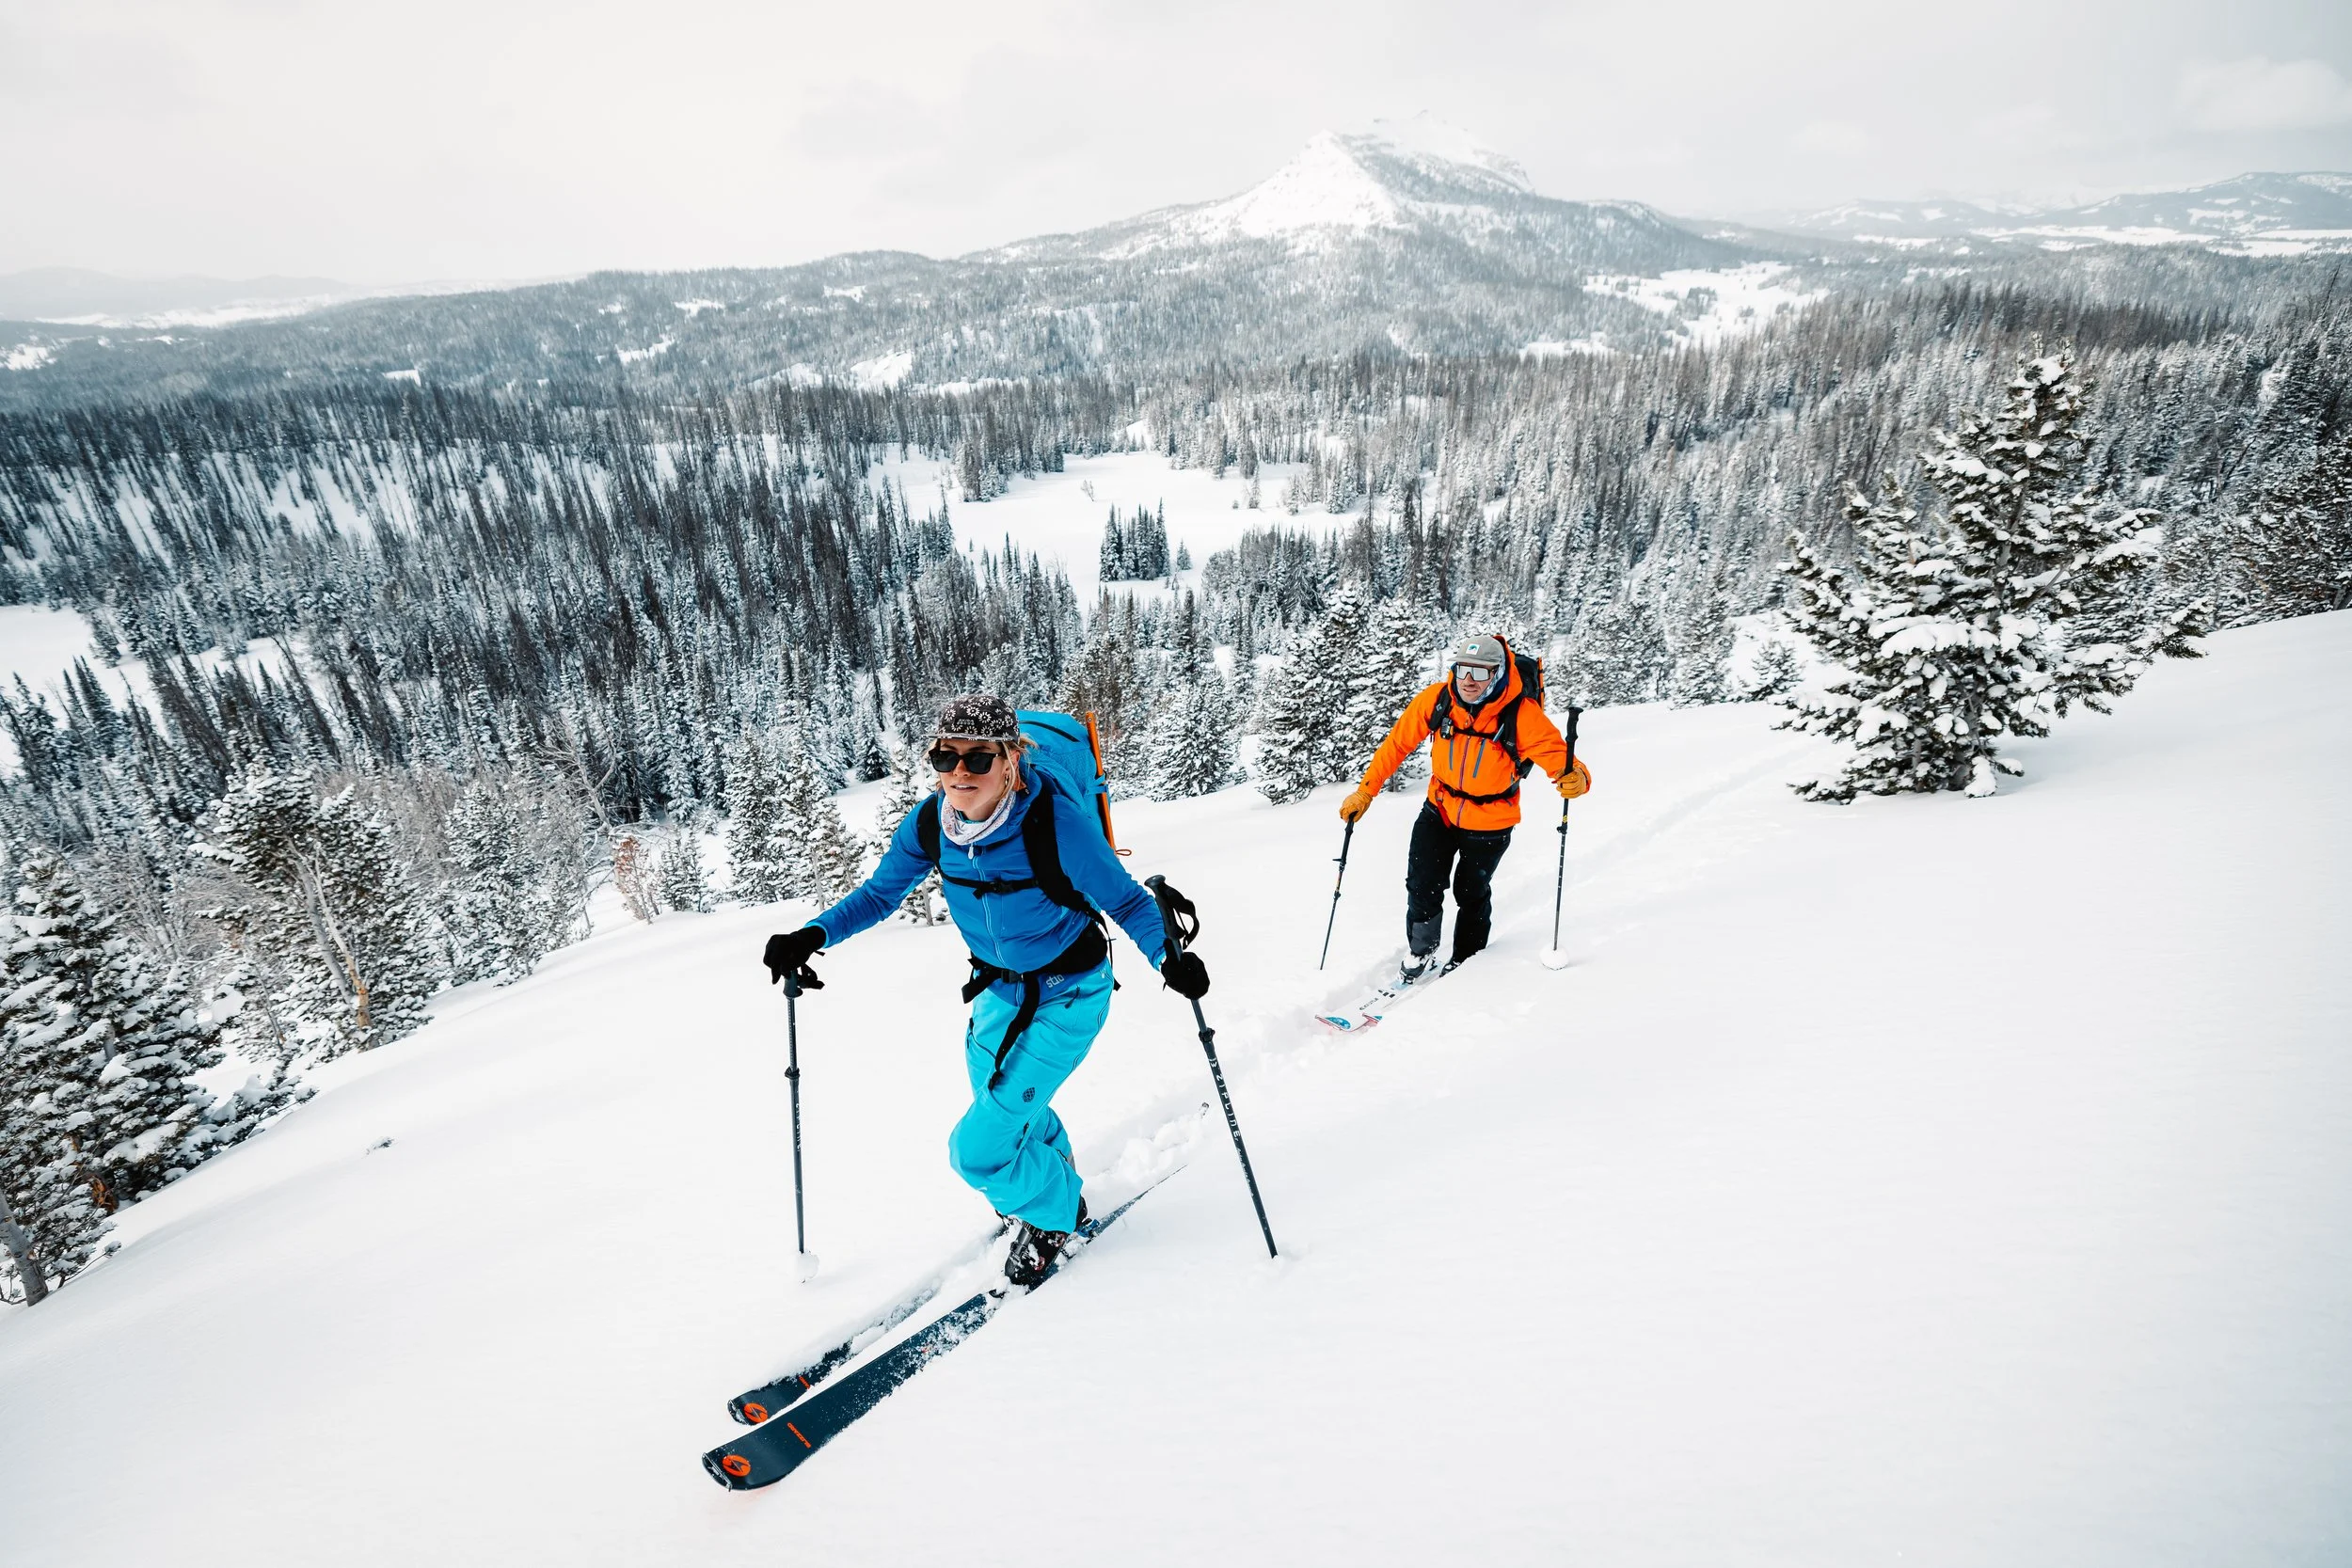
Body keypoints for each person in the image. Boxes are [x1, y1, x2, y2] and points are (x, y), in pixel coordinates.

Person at [761, 692, 1209, 1288]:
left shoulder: (1054, 821)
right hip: (998, 990)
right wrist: (811, 935)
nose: (960, 773)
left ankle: (1056, 1215)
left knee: (977, 1149)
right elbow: (878, 895)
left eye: (978, 759)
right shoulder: (931, 822)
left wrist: (1166, 957)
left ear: (1010, 759)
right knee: (1007, 1109)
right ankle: (1050, 1174)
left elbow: (1125, 899)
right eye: (946, 758)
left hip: (1070, 991)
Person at [1340, 634, 1592, 980]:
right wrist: (1366, 791)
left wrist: (1576, 778)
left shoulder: (1521, 713)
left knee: (1471, 892)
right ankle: (1421, 949)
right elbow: (1397, 743)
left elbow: (1562, 761)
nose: (1469, 681)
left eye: (1481, 672)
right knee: (1422, 883)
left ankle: (1466, 960)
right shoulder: (1439, 699)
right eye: (1463, 670)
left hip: (1491, 820)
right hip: (1439, 807)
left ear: (1499, 673)